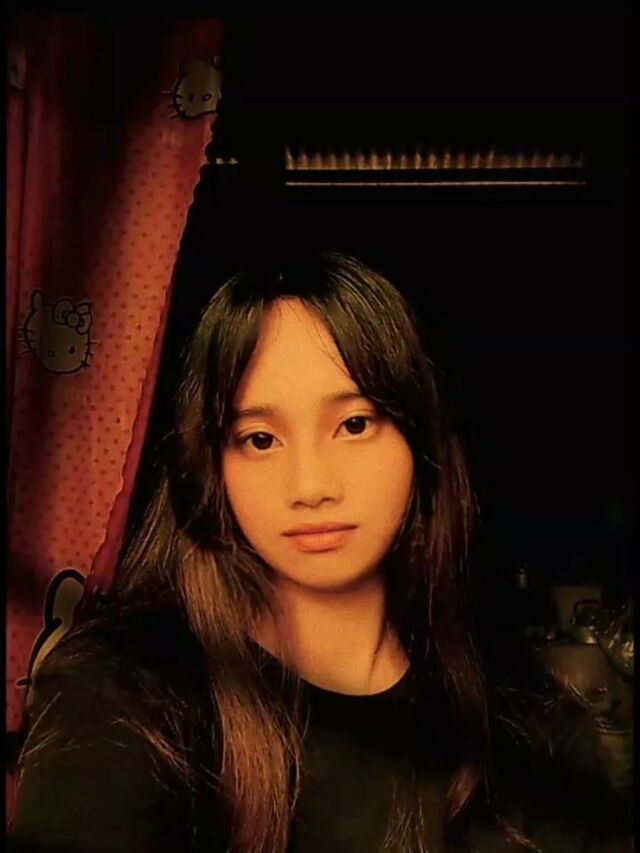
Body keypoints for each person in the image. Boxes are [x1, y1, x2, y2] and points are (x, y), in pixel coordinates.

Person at [9, 253, 631, 852]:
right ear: (212, 467)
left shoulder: (532, 726)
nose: (310, 487)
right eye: (260, 439)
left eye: (354, 425)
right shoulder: (121, 694)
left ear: (419, 441)